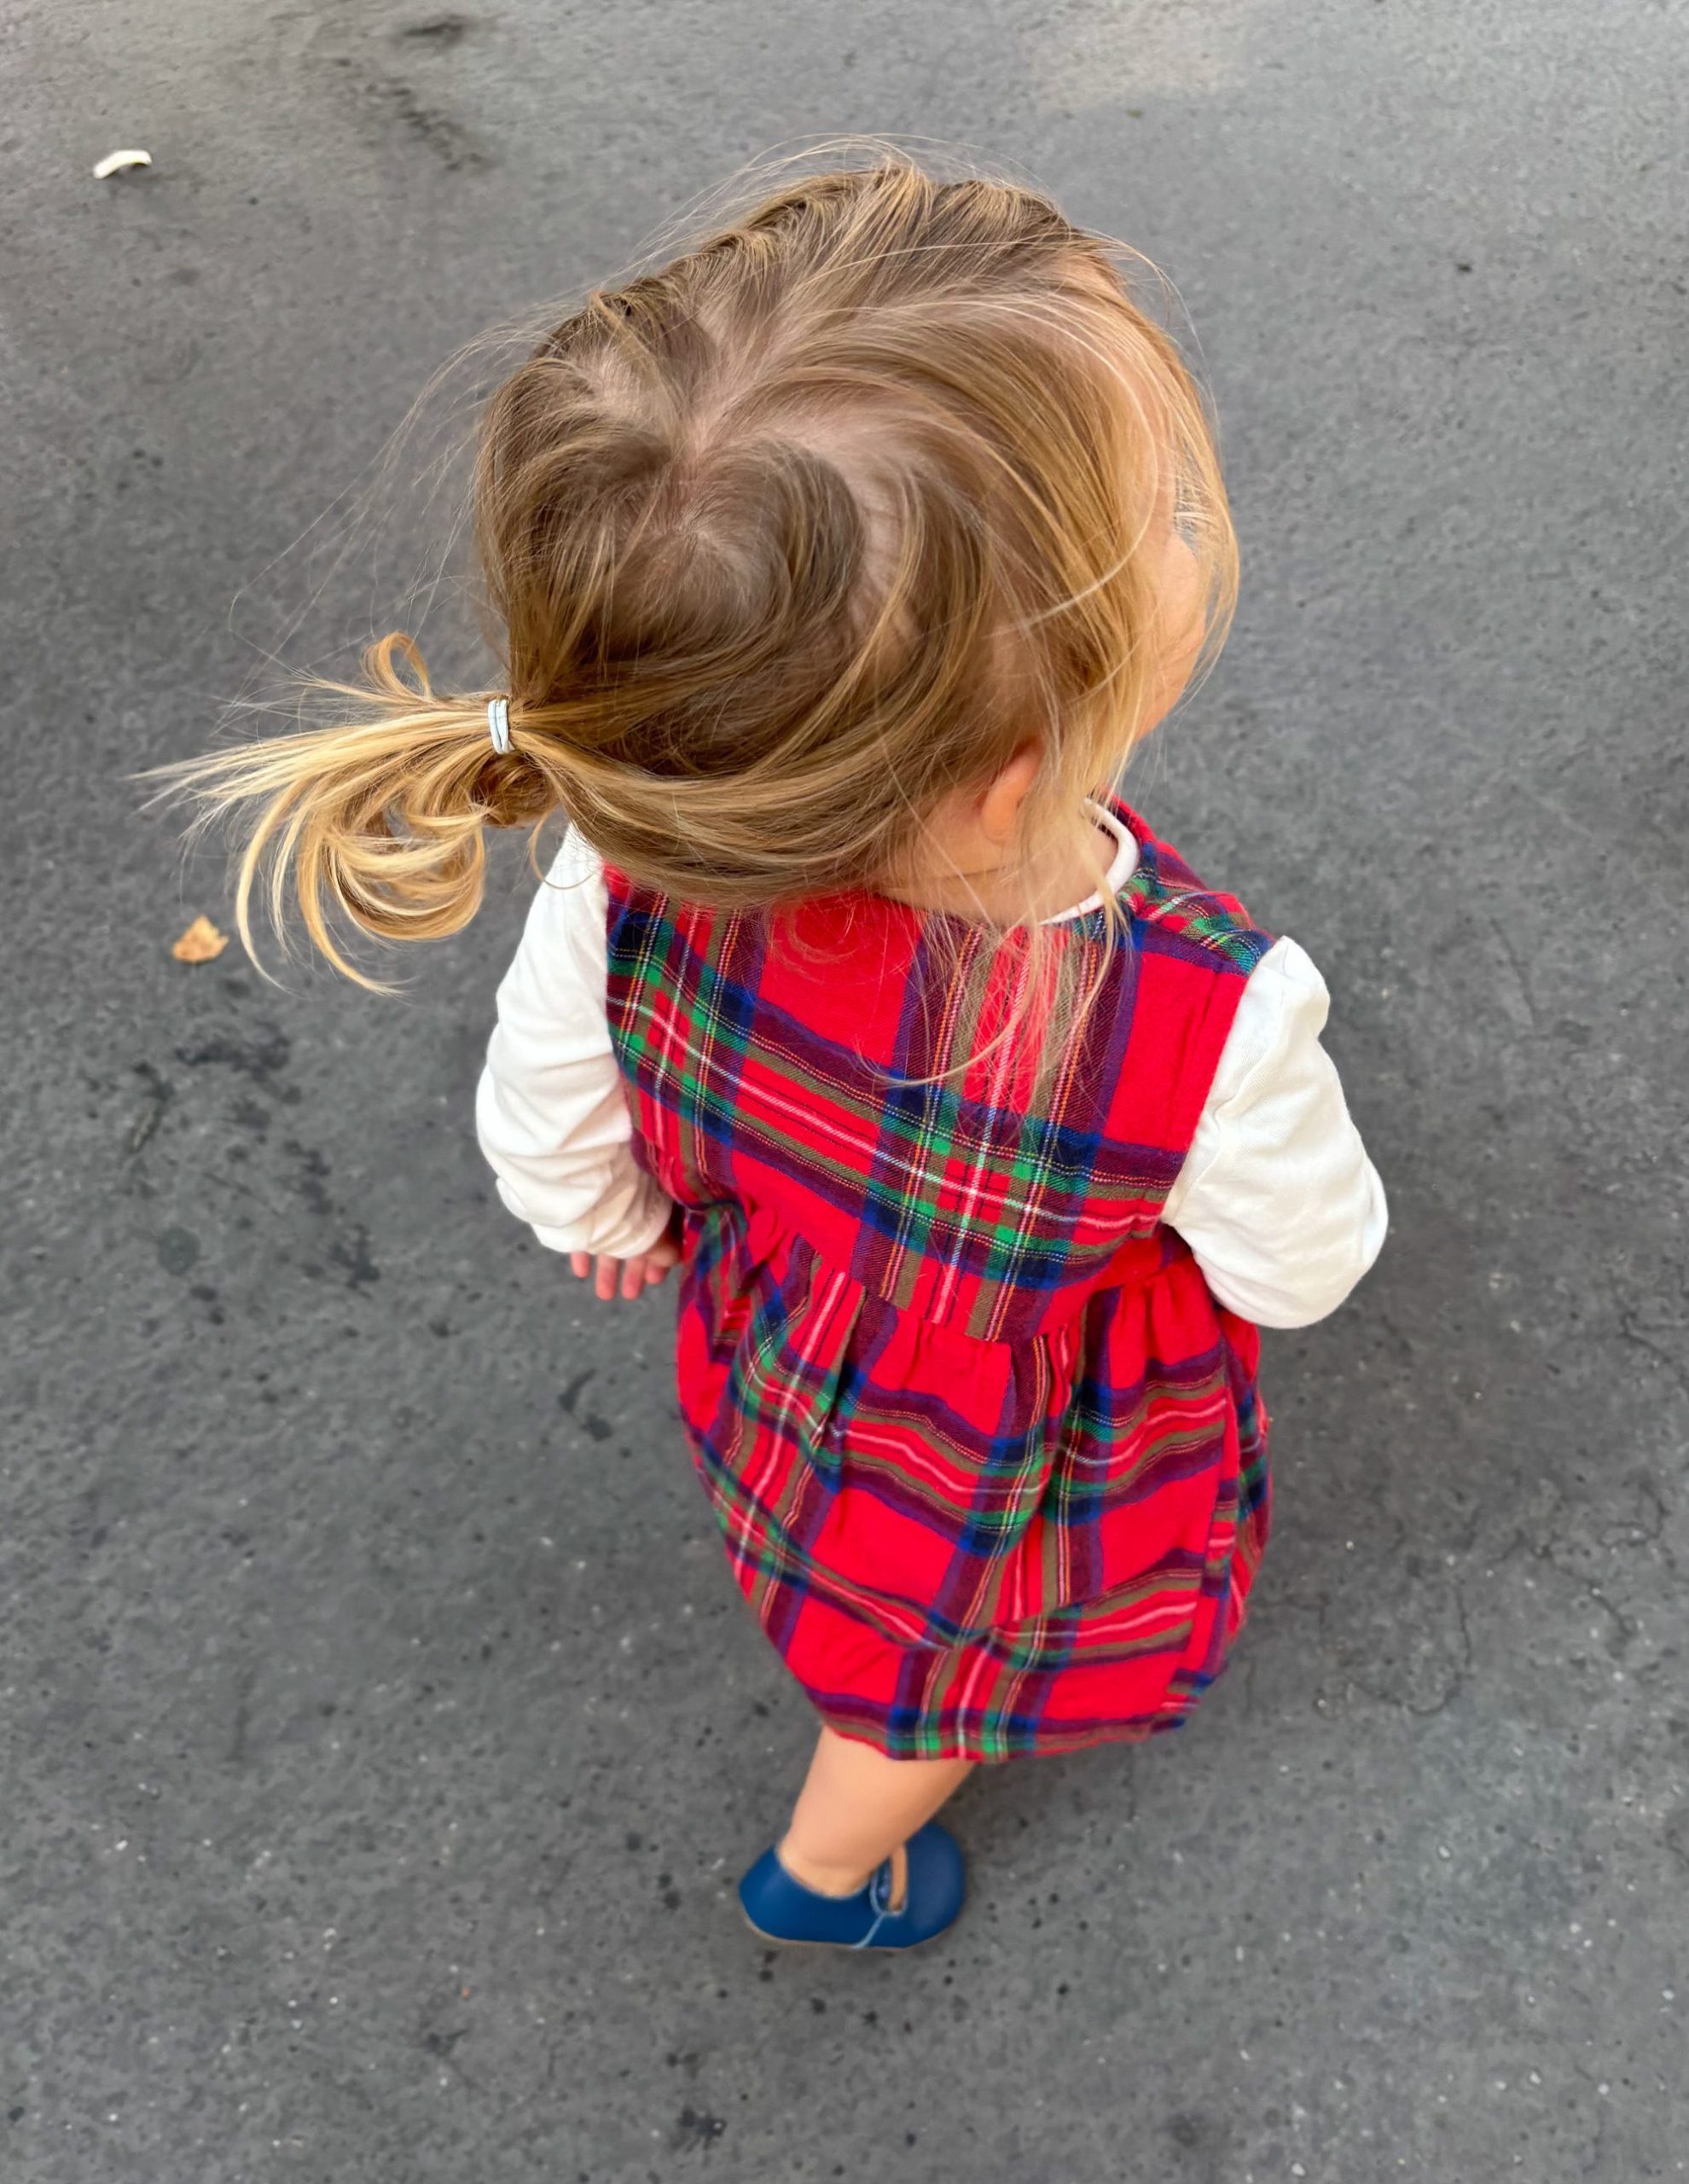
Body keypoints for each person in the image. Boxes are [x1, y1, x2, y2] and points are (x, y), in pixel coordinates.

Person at [160, 160, 1385, 1954]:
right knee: (922, 1690)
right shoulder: (1217, 1014)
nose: (1195, 532)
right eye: (1164, 524)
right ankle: (823, 1873)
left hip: (784, 1361)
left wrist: (618, 1220)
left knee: (845, 1589)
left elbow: (545, 1117)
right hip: (1001, 1460)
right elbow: (1299, 1267)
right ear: (1012, 776)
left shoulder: (631, 853)